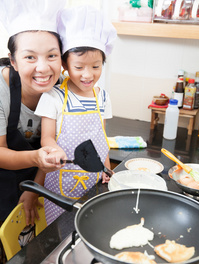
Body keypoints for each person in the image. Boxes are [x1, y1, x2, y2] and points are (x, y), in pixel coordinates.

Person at [35, 5, 117, 225]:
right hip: (60, 185)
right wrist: (56, 149)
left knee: (90, 229)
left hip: (93, 181)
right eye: (79, 67)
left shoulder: (103, 97)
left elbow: (102, 139)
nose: (88, 74)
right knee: (62, 236)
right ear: (65, 64)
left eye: (96, 66)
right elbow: (46, 139)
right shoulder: (54, 97)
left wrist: (107, 169)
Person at [0, 0, 67, 227]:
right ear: (13, 61)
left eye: (51, 56)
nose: (43, 68)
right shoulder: (1, 91)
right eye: (30, 57)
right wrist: (37, 157)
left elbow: (55, 144)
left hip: (40, 179)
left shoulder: (65, 90)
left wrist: (35, 187)